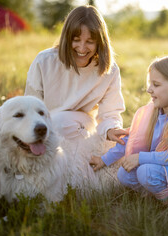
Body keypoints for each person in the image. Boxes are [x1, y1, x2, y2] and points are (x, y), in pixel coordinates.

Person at [90, 54, 168, 205]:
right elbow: (130, 140)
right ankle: (156, 190)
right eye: (150, 84)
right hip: (165, 165)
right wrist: (104, 160)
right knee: (124, 174)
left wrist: (140, 158)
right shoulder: (155, 111)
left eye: (156, 85)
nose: (149, 90)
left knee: (145, 171)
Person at [25, 5, 127, 145]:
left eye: (90, 42)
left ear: (100, 43)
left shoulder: (109, 70)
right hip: (45, 127)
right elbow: (30, 106)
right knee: (56, 124)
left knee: (62, 124)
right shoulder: (45, 61)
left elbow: (110, 113)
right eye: (76, 40)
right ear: (67, 38)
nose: (82, 48)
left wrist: (111, 129)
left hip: (83, 127)